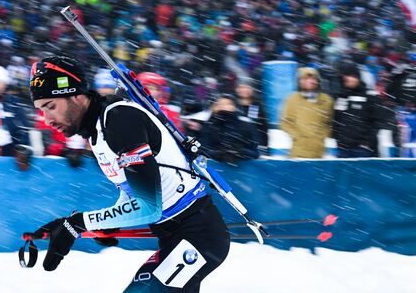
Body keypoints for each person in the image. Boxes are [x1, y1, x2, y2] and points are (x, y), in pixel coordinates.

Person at [23, 56, 230, 292]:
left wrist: (79, 224)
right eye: (41, 110)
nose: (47, 120)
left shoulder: (119, 121)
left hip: (198, 236)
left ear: (77, 96)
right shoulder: (98, 131)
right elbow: (131, 192)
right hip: (176, 237)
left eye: (51, 106)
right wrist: (109, 223)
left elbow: (149, 206)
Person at [333, 63, 388, 158]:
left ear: (358, 77)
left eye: (351, 76)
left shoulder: (370, 96)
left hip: (362, 150)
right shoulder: (342, 97)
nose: (347, 78)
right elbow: (336, 120)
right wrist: (338, 140)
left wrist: (366, 143)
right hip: (343, 149)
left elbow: (378, 122)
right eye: (345, 76)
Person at [281, 67, 334, 158]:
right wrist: (297, 136)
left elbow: (329, 123)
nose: (310, 81)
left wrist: (321, 137)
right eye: (305, 78)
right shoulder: (292, 99)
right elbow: (285, 122)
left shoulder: (327, 100)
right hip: (298, 150)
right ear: (300, 81)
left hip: (318, 151)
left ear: (317, 81)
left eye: (313, 78)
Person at [201, 94, 260, 163]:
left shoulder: (246, 125)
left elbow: (255, 153)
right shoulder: (209, 125)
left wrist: (240, 151)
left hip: (242, 169)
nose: (224, 107)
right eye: (220, 104)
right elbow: (203, 151)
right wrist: (220, 153)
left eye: (228, 104)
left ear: (234, 106)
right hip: (215, 169)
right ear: (214, 107)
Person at [234, 80, 269, 152]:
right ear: (236, 89)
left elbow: (263, 128)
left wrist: (263, 147)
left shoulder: (255, 105)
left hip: (253, 145)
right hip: (234, 144)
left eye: (247, 87)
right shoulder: (231, 104)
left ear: (252, 89)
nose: (244, 90)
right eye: (241, 87)